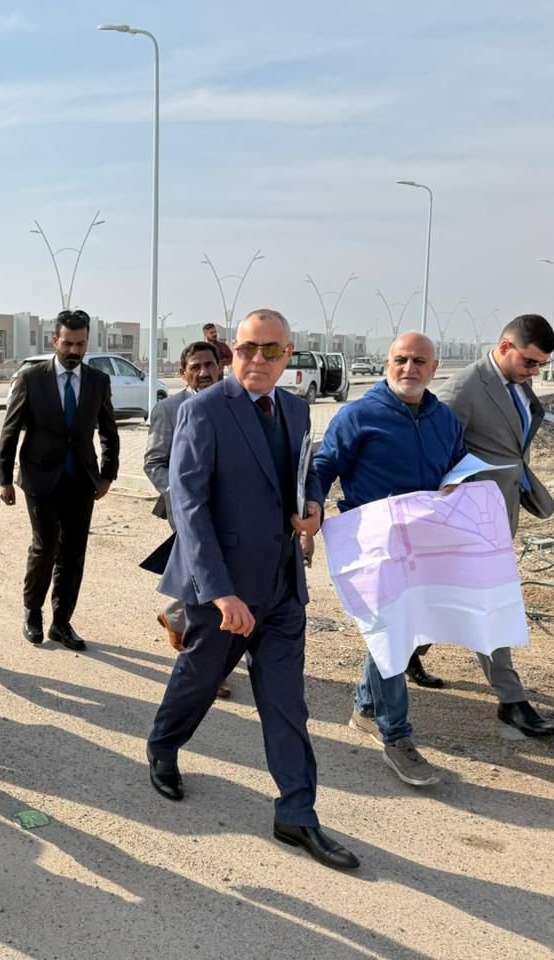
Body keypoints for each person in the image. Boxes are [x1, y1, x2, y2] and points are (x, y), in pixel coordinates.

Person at [147, 308, 359, 871]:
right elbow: (189, 506)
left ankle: (297, 813)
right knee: (200, 678)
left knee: (287, 704)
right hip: (225, 591)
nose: (257, 360)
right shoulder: (202, 410)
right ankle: (163, 744)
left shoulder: (296, 408)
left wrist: (312, 502)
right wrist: (220, 593)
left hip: (283, 587)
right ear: (231, 354)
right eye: (247, 349)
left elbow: (308, 471)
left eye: (271, 350)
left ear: (288, 356)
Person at [312, 333, 465, 787]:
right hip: (373, 545)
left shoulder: (445, 420)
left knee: (407, 630)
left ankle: (365, 707)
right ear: (387, 364)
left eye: (419, 361)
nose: (409, 368)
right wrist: (310, 511)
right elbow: (323, 466)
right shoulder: (359, 415)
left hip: (424, 544)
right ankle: (396, 735)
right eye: (400, 359)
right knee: (393, 632)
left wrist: (458, 482)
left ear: (434, 368)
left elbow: (459, 464)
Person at [434, 314, 554, 738]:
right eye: (530, 362)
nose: (535, 371)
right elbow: (437, 452)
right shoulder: (464, 388)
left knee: (444, 595)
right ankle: (511, 699)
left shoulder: (517, 383)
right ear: (505, 347)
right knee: (490, 602)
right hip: (472, 518)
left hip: (504, 508)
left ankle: (411, 652)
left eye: (540, 365)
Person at [0, 309, 119, 651]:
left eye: (80, 344)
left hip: (81, 480)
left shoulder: (98, 381)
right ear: (55, 341)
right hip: (40, 478)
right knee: (45, 546)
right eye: (68, 343)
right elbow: (10, 430)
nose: (74, 351)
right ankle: (32, 612)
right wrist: (4, 479)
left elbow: (109, 431)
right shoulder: (31, 379)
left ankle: (61, 622)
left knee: (74, 552)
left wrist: (107, 475)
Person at [143, 341, 234, 698]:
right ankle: (208, 668)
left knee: (219, 582)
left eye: (209, 365)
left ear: (220, 367)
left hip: (230, 511)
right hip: (187, 512)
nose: (204, 372)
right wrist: (181, 496)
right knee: (206, 585)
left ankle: (176, 617)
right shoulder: (169, 410)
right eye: (195, 367)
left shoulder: (235, 404)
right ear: (183, 373)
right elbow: (154, 462)